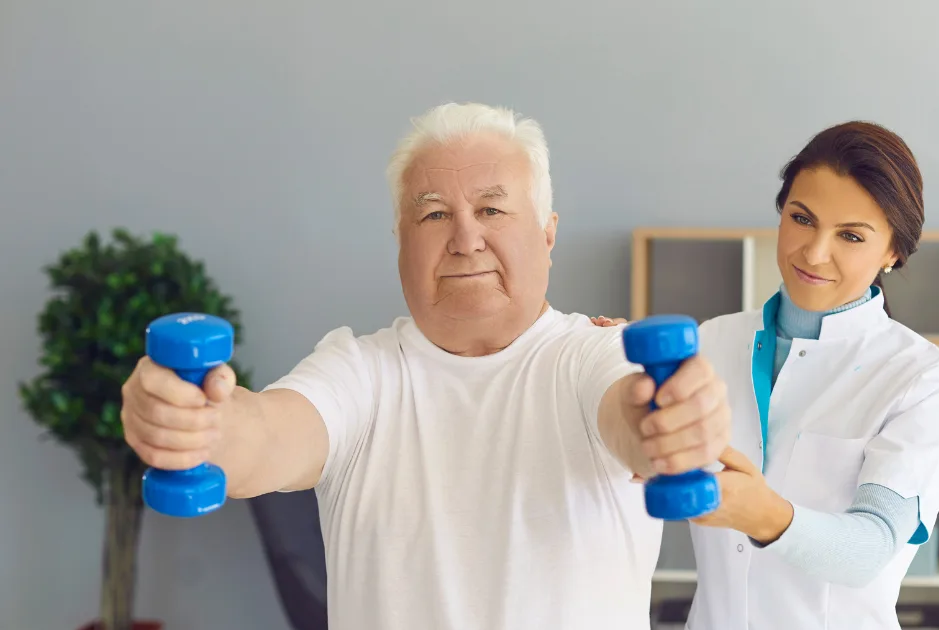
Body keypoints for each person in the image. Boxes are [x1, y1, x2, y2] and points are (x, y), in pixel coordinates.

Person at [118, 102, 733, 630]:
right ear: (401, 241)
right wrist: (197, 424)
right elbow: (265, 435)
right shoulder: (359, 372)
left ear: (547, 235)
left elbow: (631, 417)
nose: (466, 238)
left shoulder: (595, 356)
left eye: (493, 210)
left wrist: (667, 424)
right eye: (434, 214)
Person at [682, 122, 939, 629]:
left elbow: (871, 546)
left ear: (892, 252)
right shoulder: (711, 344)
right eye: (802, 218)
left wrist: (764, 513)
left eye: (851, 235)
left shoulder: (922, 380)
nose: (814, 253)